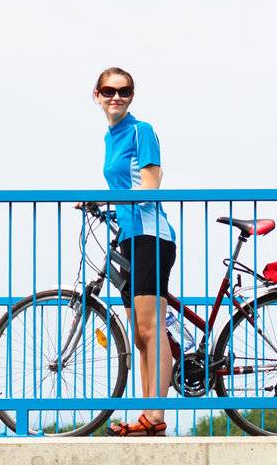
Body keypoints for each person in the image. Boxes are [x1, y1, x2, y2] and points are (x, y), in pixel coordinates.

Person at [94, 66, 177, 437]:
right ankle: (148, 415)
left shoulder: (142, 131)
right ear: (96, 95)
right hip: (129, 237)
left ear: (132, 96)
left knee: (151, 327)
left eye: (124, 91)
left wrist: (113, 200)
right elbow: (125, 188)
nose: (116, 97)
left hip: (150, 236)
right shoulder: (112, 135)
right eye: (109, 91)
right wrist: (104, 207)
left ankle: (155, 415)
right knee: (139, 335)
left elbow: (150, 184)